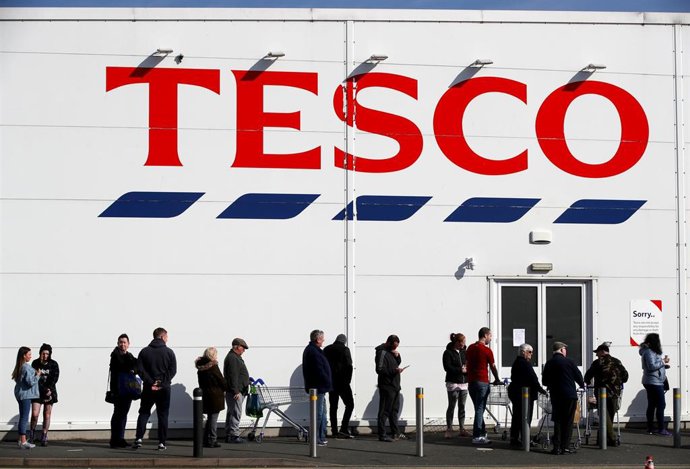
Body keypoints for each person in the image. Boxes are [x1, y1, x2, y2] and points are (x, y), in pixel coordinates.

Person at [134, 327, 177, 451]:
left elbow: (140, 370)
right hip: (164, 389)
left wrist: (151, 382)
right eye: (167, 337)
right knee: (163, 415)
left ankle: (138, 438)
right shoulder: (169, 352)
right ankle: (162, 442)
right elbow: (172, 370)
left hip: (148, 388)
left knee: (144, 412)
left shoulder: (144, 352)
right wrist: (161, 383)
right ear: (163, 337)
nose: (167, 339)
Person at [542, 341, 584, 455]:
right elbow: (578, 376)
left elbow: (544, 381)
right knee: (568, 421)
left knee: (558, 421)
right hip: (569, 396)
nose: (566, 351)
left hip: (556, 396)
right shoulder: (569, 362)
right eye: (565, 349)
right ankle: (565, 446)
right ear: (561, 350)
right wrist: (582, 385)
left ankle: (556, 448)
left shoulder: (549, 363)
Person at [584, 342, 629, 445]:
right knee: (609, 416)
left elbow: (588, 376)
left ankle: (611, 439)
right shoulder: (617, 361)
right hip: (615, 393)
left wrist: (587, 382)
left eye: (597, 352)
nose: (596, 355)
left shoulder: (597, 363)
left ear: (602, 352)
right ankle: (603, 439)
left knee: (604, 416)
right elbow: (625, 376)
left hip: (602, 393)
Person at [466, 327, 501, 445]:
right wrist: (497, 379)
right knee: (480, 409)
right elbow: (493, 367)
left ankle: (482, 431)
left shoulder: (470, 348)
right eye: (490, 336)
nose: (491, 338)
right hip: (482, 382)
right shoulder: (487, 351)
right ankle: (477, 435)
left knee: (478, 408)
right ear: (485, 335)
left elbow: (467, 364)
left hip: (471, 382)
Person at [507, 343, 546, 448]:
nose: (531, 354)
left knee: (517, 417)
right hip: (524, 395)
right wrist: (541, 389)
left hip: (516, 394)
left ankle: (515, 439)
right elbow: (533, 378)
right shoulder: (524, 363)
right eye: (530, 352)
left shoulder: (517, 362)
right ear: (523, 352)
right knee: (525, 417)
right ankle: (525, 440)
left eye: (532, 352)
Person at [302, 329, 332, 446]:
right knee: (318, 414)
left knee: (322, 413)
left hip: (320, 388)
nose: (324, 340)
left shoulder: (314, 350)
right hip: (317, 388)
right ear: (318, 339)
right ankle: (315, 438)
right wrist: (326, 381)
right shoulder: (313, 351)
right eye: (322, 338)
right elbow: (319, 370)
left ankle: (320, 436)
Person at [375, 334, 407, 442]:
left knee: (394, 410)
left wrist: (397, 356)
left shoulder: (391, 352)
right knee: (384, 410)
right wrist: (395, 371)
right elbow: (379, 369)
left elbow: (395, 364)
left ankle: (395, 432)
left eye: (397, 347)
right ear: (388, 343)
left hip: (395, 386)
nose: (395, 348)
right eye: (394, 346)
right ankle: (382, 434)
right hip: (387, 386)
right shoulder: (382, 352)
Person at [108, 333, 138, 448]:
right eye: (121, 342)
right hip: (118, 390)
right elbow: (124, 366)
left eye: (125, 342)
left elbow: (136, 366)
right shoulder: (115, 355)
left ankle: (120, 438)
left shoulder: (129, 356)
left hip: (128, 390)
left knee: (123, 414)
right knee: (117, 414)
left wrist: (134, 368)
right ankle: (114, 439)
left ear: (129, 344)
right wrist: (132, 367)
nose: (122, 344)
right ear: (117, 343)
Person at [324, 334, 355, 439]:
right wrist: (348, 381)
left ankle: (334, 431)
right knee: (350, 405)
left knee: (333, 407)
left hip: (331, 383)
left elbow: (324, 365)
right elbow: (349, 366)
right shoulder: (345, 350)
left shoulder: (327, 349)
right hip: (343, 383)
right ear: (344, 341)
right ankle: (344, 428)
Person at [639, 333, 671, 435]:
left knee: (652, 404)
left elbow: (652, 366)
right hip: (654, 382)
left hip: (652, 380)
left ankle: (651, 428)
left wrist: (664, 366)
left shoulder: (649, 351)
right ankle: (661, 429)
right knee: (661, 405)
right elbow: (651, 366)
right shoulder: (649, 352)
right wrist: (663, 362)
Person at [196, 347, 227, 448]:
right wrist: (226, 387)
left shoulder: (200, 368)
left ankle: (205, 439)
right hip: (215, 395)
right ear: (213, 355)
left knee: (210, 418)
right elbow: (221, 380)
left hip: (205, 394)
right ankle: (212, 440)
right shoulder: (213, 367)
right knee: (213, 419)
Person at [30, 343, 59, 446]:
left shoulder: (54, 364)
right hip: (37, 392)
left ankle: (44, 435)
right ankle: (32, 433)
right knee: (35, 414)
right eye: (43, 353)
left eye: (47, 353)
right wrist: (44, 389)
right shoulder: (35, 363)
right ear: (40, 353)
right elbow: (34, 378)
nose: (45, 356)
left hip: (50, 392)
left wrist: (49, 390)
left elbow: (54, 378)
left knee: (47, 414)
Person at [12, 347, 41, 449]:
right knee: (24, 418)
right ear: (24, 356)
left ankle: (21, 440)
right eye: (29, 354)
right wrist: (38, 375)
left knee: (22, 417)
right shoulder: (25, 367)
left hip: (21, 395)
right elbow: (30, 382)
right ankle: (23, 442)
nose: (30, 356)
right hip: (26, 395)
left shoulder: (20, 366)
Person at [442, 332, 469, 438]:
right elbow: (447, 367)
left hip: (464, 382)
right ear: (457, 342)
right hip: (453, 382)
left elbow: (468, 364)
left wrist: (467, 370)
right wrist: (460, 370)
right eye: (462, 342)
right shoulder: (448, 353)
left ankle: (462, 428)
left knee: (462, 406)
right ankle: (449, 428)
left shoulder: (464, 352)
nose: (463, 344)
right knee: (452, 405)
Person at [224, 338, 250, 443]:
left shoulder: (234, 357)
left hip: (237, 390)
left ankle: (229, 434)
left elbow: (237, 374)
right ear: (237, 347)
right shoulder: (233, 358)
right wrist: (236, 391)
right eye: (243, 348)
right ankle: (234, 435)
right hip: (236, 392)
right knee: (235, 413)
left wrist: (247, 380)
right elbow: (232, 376)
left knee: (232, 412)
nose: (244, 351)